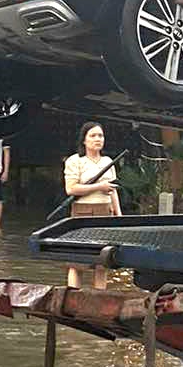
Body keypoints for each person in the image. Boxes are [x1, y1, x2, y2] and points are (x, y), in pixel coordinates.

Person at [63, 123, 119, 288]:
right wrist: (98, 187)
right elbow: (71, 189)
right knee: (77, 263)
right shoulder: (75, 161)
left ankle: (100, 297)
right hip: (83, 214)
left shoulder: (108, 161)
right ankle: (73, 297)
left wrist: (119, 215)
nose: (97, 139)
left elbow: (113, 190)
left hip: (105, 213)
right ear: (84, 140)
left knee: (103, 262)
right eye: (93, 136)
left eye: (100, 136)